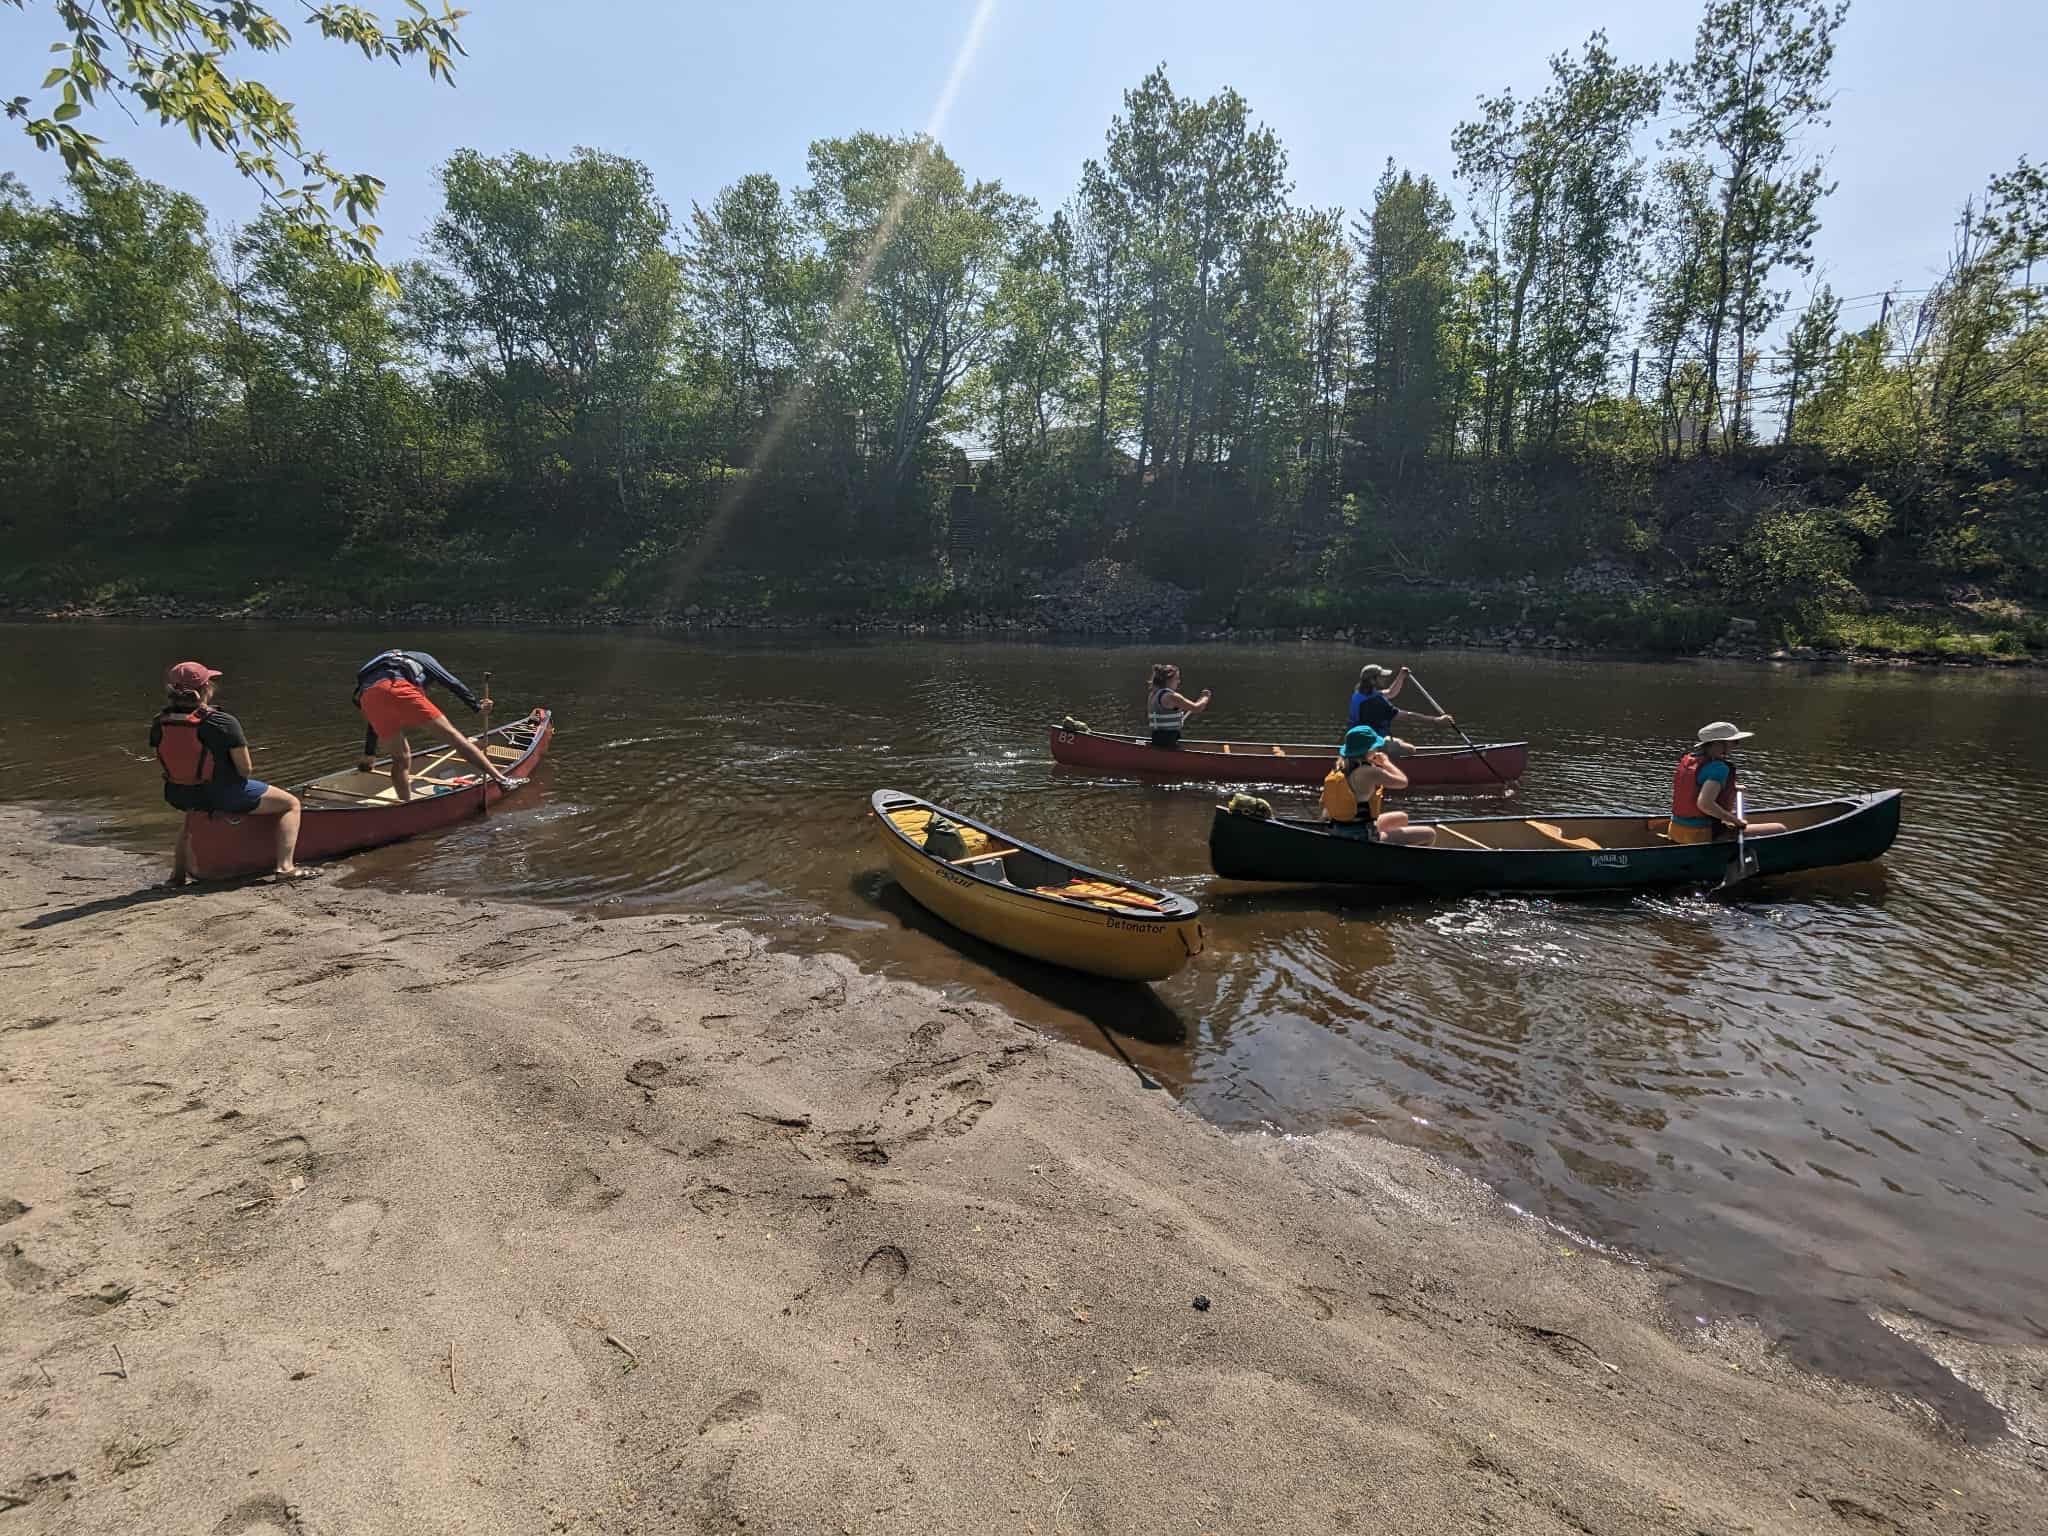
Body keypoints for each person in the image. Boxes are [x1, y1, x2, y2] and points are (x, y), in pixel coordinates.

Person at [150, 661, 310, 884]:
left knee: (192, 815)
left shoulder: (159, 722)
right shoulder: (223, 722)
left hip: (178, 793)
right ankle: (285, 867)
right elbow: (245, 770)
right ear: (207, 689)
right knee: (291, 804)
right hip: (222, 794)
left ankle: (176, 877)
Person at [353, 648, 526, 803]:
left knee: (400, 759)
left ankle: (404, 805)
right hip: (399, 688)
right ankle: (503, 781)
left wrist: (369, 754)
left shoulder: (379, 667)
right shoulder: (424, 658)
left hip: (368, 699)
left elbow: (374, 716)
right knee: (456, 739)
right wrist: (477, 707)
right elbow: (452, 683)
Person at [1669, 721, 1787, 845]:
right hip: (1700, 835)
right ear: (1719, 744)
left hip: (1676, 830)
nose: (1736, 745)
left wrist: (1732, 787)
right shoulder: (1719, 768)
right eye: (1734, 742)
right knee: (1780, 828)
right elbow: (1705, 804)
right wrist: (1735, 821)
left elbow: (1697, 787)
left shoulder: (1692, 761)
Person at [1320, 725, 1436, 846]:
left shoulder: (1339, 767)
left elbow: (1327, 807)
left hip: (1337, 829)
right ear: (1369, 750)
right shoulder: (1369, 772)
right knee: (1429, 834)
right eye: (1375, 747)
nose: (1377, 750)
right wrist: (1386, 763)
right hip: (1360, 836)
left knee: (1402, 818)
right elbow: (1402, 782)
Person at [1347, 664, 1453, 755]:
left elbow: (1390, 693)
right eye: (1381, 677)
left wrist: (1401, 676)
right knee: (1411, 749)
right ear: (1372, 680)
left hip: (1360, 738)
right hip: (1369, 743)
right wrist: (1436, 721)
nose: (1384, 678)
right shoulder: (1374, 701)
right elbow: (1407, 717)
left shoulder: (1361, 693)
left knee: (1400, 742)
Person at [1146, 663, 1212, 748]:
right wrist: (1205, 697)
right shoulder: (1170, 696)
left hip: (1156, 739)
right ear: (1168, 680)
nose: (1178, 682)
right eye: (1176, 678)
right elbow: (1197, 708)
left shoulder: (1153, 694)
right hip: (1168, 742)